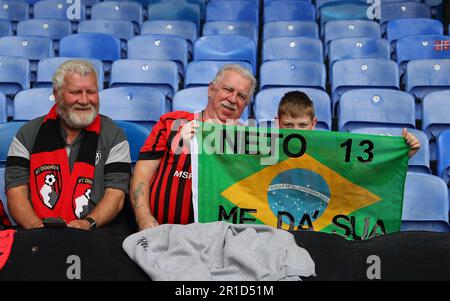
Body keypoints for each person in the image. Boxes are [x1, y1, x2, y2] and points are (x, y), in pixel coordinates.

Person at [5, 60, 131, 230]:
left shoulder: (115, 136)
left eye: (91, 92)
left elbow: (115, 196)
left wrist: (88, 224)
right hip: (36, 231)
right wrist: (38, 229)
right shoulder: (26, 134)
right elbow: (15, 192)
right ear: (57, 95)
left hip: (96, 232)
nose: (85, 100)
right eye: (75, 92)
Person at [130, 64, 257, 230]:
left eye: (241, 96)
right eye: (227, 89)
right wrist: (144, 218)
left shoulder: (248, 140)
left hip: (216, 239)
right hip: (159, 231)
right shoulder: (171, 123)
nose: (233, 99)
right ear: (211, 90)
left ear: (246, 104)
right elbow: (142, 175)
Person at [276, 90, 420, 157]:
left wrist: (404, 153)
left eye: (303, 125)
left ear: (313, 124)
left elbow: (369, 170)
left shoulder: (328, 150)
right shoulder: (266, 149)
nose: (296, 132)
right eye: (288, 125)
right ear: (278, 123)